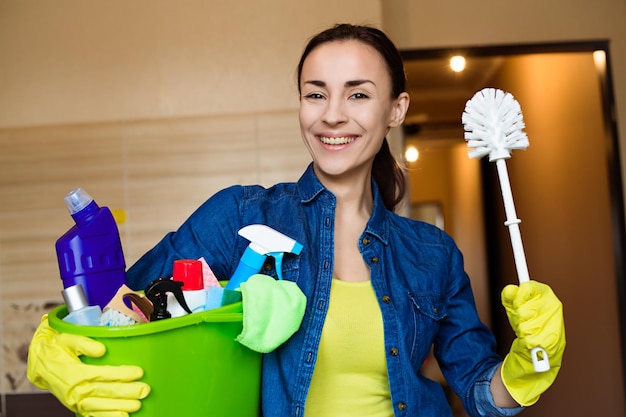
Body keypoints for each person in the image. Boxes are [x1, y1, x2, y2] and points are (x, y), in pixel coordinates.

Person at [27, 23, 565, 417]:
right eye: (316, 94)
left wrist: (524, 372)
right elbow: (122, 309)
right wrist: (52, 342)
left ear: (396, 110)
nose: (332, 113)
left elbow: (476, 388)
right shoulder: (240, 216)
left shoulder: (433, 253)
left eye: (358, 93)